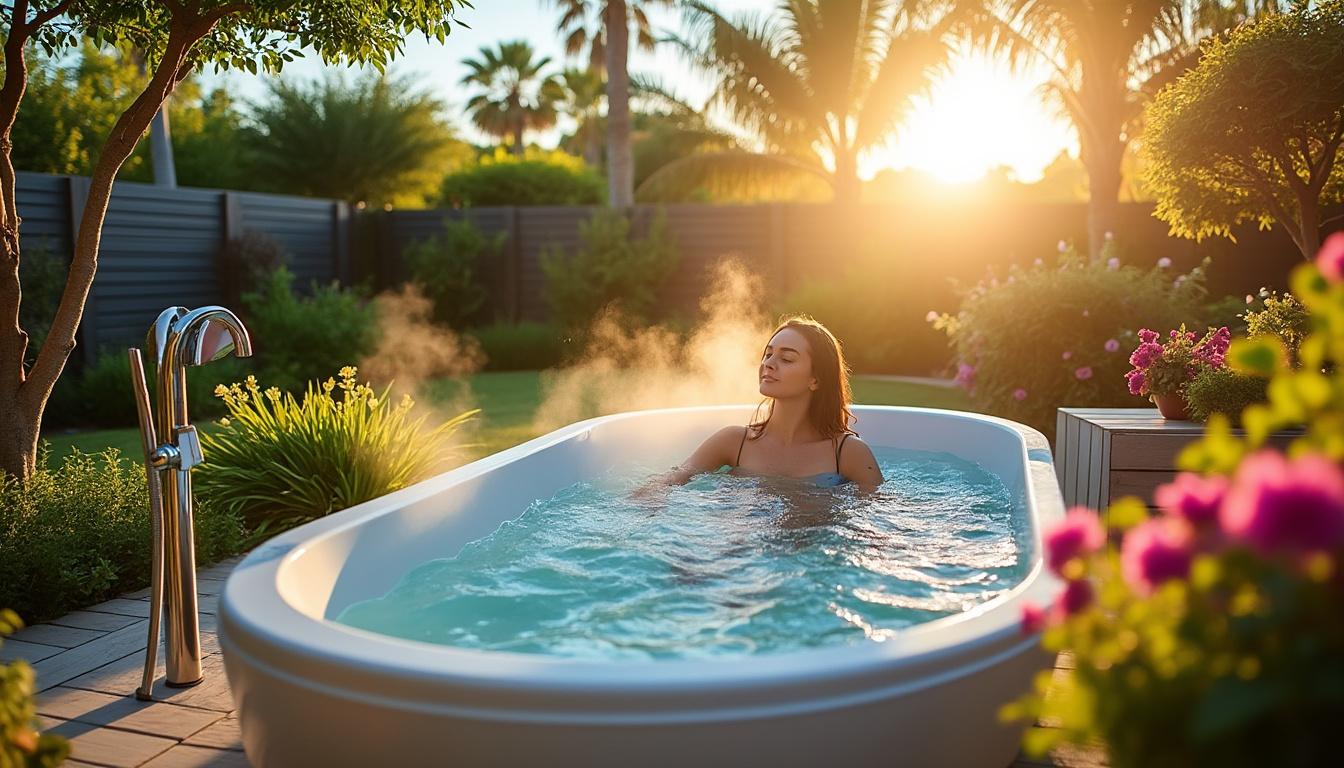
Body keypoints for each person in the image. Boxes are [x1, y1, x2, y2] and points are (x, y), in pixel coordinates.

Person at [633, 315, 884, 498]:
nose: (769, 364)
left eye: (786, 358)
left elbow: (881, 518)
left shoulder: (848, 453)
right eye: (767, 354)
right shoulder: (733, 442)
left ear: (816, 379)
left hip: (817, 556)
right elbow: (669, 481)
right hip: (740, 550)